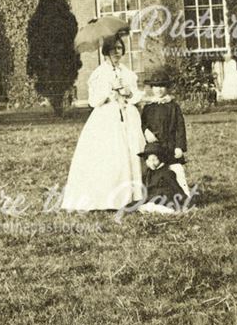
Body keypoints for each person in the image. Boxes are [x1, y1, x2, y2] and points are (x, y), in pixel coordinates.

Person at [61, 36, 145, 211]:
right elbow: (93, 101)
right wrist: (109, 90)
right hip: (107, 118)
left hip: (128, 117)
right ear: (106, 51)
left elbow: (136, 95)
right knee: (110, 154)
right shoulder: (99, 73)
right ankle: (108, 198)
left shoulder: (127, 72)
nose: (116, 52)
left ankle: (133, 195)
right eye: (113, 49)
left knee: (131, 152)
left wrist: (128, 93)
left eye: (119, 48)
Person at [139, 68, 191, 198]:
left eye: (162, 86)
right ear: (152, 88)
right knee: (154, 170)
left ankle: (183, 194)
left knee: (174, 169)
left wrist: (179, 146)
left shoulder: (173, 106)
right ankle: (155, 194)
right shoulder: (148, 107)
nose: (159, 89)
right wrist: (146, 131)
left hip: (170, 145)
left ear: (167, 88)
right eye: (156, 86)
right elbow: (142, 123)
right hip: (155, 146)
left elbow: (180, 127)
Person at [138, 142, 192, 214]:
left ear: (160, 159)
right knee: (143, 206)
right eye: (148, 160)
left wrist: (185, 202)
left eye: (154, 160)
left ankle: (168, 210)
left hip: (166, 200)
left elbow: (176, 187)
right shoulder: (148, 173)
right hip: (153, 199)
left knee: (164, 208)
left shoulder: (167, 173)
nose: (152, 163)